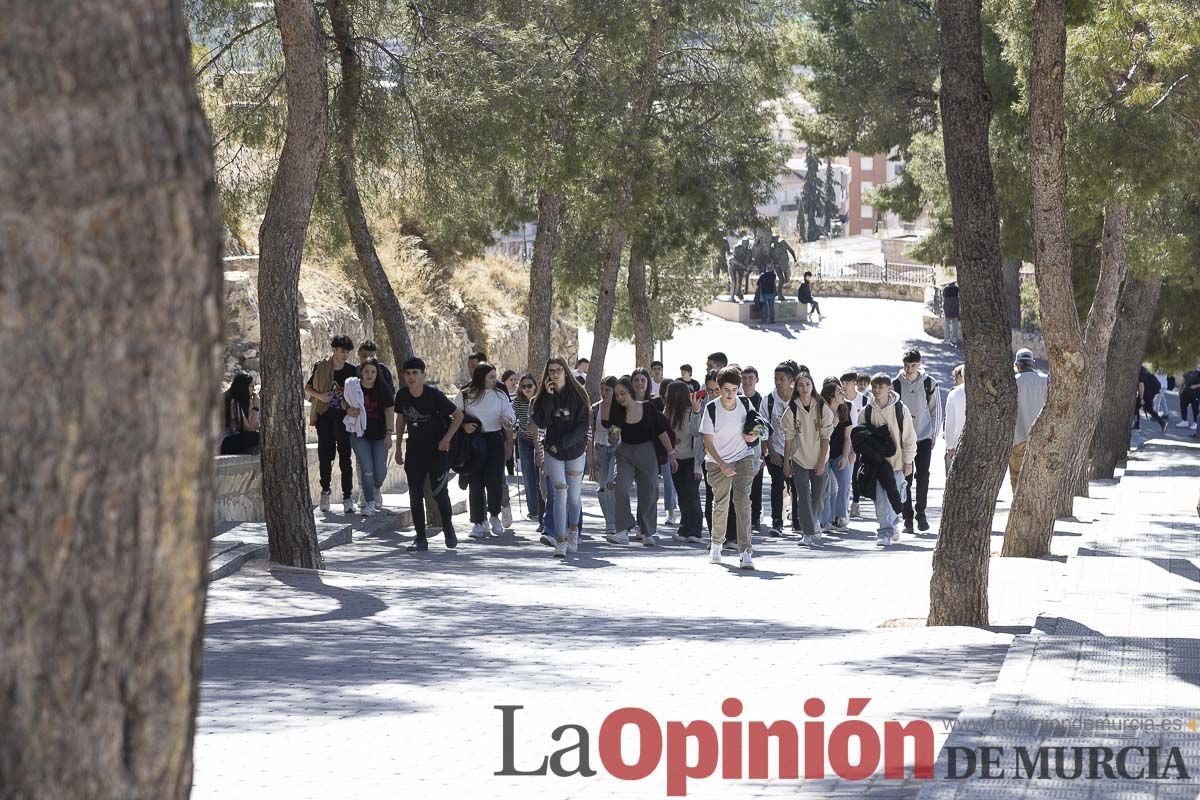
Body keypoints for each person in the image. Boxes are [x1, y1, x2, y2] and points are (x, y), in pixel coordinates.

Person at [394, 357, 463, 552]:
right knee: (415, 495)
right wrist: (398, 447)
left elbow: (458, 416)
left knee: (439, 492)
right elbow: (400, 421)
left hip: (436, 451)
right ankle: (420, 538)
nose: (411, 377)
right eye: (407, 373)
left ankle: (448, 529)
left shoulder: (434, 395)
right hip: (414, 451)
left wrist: (446, 439)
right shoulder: (402, 395)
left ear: (423, 375)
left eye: (415, 373)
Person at [603, 377, 677, 546]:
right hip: (626, 453)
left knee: (649, 492)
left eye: (623, 393)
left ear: (630, 391)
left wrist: (671, 453)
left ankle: (647, 532)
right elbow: (613, 436)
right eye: (617, 395)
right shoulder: (617, 412)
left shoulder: (648, 408)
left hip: (647, 452)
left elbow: (661, 432)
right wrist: (613, 437)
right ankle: (622, 531)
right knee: (620, 489)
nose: (620, 397)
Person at [700, 367, 761, 569]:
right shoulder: (711, 408)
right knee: (721, 502)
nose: (730, 394)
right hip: (717, 460)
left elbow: (758, 426)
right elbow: (707, 441)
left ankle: (746, 552)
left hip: (742, 456)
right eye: (726, 389)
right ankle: (717, 544)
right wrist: (722, 463)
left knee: (743, 501)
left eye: (735, 389)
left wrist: (755, 435)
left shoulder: (745, 402)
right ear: (719, 387)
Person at [531, 357, 591, 558]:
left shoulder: (578, 394)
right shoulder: (544, 395)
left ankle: (574, 530)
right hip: (552, 452)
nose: (554, 374)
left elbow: (583, 426)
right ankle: (561, 540)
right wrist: (547, 398)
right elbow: (540, 421)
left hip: (573, 450)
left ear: (566, 371)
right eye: (551, 371)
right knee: (559, 495)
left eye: (558, 370)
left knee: (574, 497)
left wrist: (562, 444)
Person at [454, 363, 516, 538]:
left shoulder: (500, 395)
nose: (494, 380)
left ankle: (494, 515)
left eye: (495, 376)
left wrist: (507, 423)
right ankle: (478, 522)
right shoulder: (465, 395)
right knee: (475, 482)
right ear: (481, 377)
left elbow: (510, 415)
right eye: (490, 377)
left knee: (494, 479)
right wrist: (464, 425)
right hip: (474, 442)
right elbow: (453, 414)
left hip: (495, 440)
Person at [858, 373, 916, 547]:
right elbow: (860, 436)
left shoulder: (900, 409)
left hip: (897, 462)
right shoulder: (867, 411)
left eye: (880, 387)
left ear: (889, 388)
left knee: (895, 497)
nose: (876, 390)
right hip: (876, 464)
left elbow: (909, 438)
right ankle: (884, 532)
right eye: (874, 387)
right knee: (880, 499)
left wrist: (908, 461)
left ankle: (893, 523)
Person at [304, 335, 358, 514]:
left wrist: (348, 407)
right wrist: (320, 397)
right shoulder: (321, 367)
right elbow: (308, 387)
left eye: (347, 351)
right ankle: (325, 492)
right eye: (342, 351)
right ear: (334, 349)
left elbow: (358, 395)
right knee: (325, 455)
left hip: (344, 419)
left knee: (345, 457)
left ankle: (347, 497)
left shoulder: (352, 370)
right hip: (324, 416)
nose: (345, 355)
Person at [783, 372, 835, 546]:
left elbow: (826, 436)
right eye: (801, 385)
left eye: (807, 384)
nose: (804, 388)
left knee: (818, 497)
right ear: (796, 388)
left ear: (812, 386)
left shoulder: (822, 407)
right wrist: (786, 462)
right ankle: (807, 532)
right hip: (800, 459)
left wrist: (821, 462)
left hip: (820, 458)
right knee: (803, 496)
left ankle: (813, 522)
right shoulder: (792, 409)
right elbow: (789, 437)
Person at [892, 349, 942, 533]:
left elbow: (936, 410)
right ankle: (907, 518)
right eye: (906, 365)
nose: (909, 369)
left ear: (920, 364)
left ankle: (921, 513)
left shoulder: (929, 383)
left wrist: (934, 434)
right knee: (905, 477)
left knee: (923, 475)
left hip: (923, 436)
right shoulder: (895, 384)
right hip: (903, 439)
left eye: (913, 365)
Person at [342, 357, 394, 516]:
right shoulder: (353, 387)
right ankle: (369, 502)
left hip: (379, 435)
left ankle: (376, 488)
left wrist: (389, 433)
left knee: (380, 472)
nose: (369, 375)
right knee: (367, 469)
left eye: (373, 371)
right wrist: (348, 409)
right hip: (359, 434)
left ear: (377, 373)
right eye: (366, 371)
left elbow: (389, 411)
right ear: (361, 373)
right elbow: (343, 399)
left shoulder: (383, 390)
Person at [631, 367, 677, 526]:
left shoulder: (656, 402)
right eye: (636, 380)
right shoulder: (625, 401)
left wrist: (670, 451)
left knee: (658, 487)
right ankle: (641, 524)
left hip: (658, 452)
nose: (639, 384)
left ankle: (669, 512)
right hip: (634, 452)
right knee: (642, 490)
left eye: (643, 380)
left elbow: (662, 428)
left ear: (648, 383)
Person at [663, 381, 705, 543]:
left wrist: (698, 466)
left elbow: (698, 437)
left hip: (691, 460)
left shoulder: (692, 412)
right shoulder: (667, 413)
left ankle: (695, 530)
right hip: (674, 460)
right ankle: (685, 528)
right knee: (682, 495)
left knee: (691, 495)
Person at [762, 361, 800, 537]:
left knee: (797, 487)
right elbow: (764, 428)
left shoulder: (800, 399)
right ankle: (777, 522)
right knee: (777, 485)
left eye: (782, 378)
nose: (778, 382)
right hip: (776, 451)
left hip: (797, 453)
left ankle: (798, 521)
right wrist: (771, 451)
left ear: (791, 380)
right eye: (775, 378)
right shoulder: (768, 401)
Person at [819, 379, 854, 532]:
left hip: (840, 454)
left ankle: (840, 517)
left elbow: (848, 436)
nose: (843, 393)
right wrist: (832, 424)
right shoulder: (820, 411)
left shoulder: (844, 409)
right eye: (839, 392)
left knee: (845, 484)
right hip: (824, 455)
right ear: (831, 397)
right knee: (825, 489)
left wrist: (845, 456)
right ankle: (825, 521)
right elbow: (820, 436)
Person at [1011, 348, 1048, 493]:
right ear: (1033, 363)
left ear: (1017, 364)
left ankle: (1017, 507)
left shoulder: (1012, 382)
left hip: (1017, 438)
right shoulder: (1045, 380)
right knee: (1038, 478)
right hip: (1040, 438)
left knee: (1016, 477)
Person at [588, 376, 620, 537]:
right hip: (599, 449)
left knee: (610, 483)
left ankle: (616, 521)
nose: (604, 393)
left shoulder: (620, 407)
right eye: (602, 390)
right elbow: (591, 434)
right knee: (602, 487)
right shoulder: (594, 409)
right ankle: (610, 522)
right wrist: (591, 457)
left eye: (607, 390)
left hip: (616, 450)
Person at [512, 374, 543, 524]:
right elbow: (512, 416)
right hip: (524, 439)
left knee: (540, 474)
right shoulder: (518, 401)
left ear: (535, 385)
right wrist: (511, 427)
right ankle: (533, 510)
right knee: (528, 474)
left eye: (529, 386)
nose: (526, 389)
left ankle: (542, 506)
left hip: (540, 440)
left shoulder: (540, 400)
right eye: (523, 386)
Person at [741, 367, 766, 533]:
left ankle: (755, 517)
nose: (747, 381)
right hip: (739, 448)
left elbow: (765, 428)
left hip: (756, 449)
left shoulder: (761, 400)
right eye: (744, 378)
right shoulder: (738, 399)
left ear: (757, 380)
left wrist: (764, 452)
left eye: (751, 378)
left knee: (756, 485)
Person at [944, 364, 966, 474]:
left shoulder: (954, 393)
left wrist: (950, 446)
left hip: (959, 443)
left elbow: (950, 423)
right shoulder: (985, 393)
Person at [1134, 365, 1167, 433]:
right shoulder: (1144, 369)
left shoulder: (1140, 371)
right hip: (1150, 394)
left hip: (1145, 394)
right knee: (1150, 410)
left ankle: (1137, 426)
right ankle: (1162, 423)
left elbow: (1141, 385)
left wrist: (1141, 398)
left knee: (1135, 408)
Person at [1176, 365, 1200, 431]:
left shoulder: (1198, 372)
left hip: (1195, 393)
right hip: (1186, 391)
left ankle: (1196, 423)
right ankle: (1184, 421)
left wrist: (1195, 386)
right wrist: (1180, 388)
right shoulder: (1187, 370)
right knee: (1182, 405)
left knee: (1195, 408)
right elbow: (1183, 379)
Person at [942, 281, 961, 346]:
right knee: (955, 323)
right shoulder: (956, 289)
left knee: (946, 324)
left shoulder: (946, 289)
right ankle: (954, 337)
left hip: (948, 307)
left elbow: (944, 298)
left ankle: (947, 338)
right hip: (955, 307)